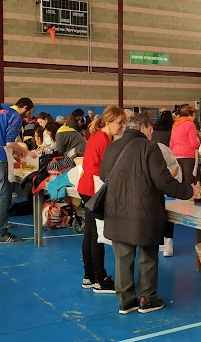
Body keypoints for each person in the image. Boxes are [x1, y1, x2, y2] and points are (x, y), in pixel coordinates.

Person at [100, 114, 197, 314]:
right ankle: (147, 299)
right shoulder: (150, 148)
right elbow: (163, 182)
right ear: (143, 127)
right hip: (144, 210)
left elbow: (103, 175)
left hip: (116, 209)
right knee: (148, 256)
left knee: (122, 258)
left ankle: (125, 301)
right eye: (150, 129)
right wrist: (188, 191)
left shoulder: (112, 147)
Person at [77, 106, 127, 293]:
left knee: (90, 233)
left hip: (86, 187)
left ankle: (89, 276)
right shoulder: (104, 142)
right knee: (97, 235)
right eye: (120, 123)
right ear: (108, 122)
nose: (122, 127)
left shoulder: (97, 137)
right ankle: (100, 279)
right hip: (94, 189)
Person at [0, 98, 36, 242]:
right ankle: (1, 233)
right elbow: (10, 142)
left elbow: (0, 139)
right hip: (0, 159)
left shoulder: (0, 113)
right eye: (29, 112)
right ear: (25, 108)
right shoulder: (16, 116)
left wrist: (15, 151)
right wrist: (27, 152)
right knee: (5, 197)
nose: (29, 116)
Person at [168, 105, 200, 256]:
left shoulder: (176, 124)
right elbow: (194, 143)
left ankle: (178, 205)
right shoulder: (190, 125)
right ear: (191, 114)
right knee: (189, 179)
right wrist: (199, 142)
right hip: (188, 155)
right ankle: (189, 207)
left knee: (179, 179)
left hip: (176, 153)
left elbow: (171, 142)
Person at [151, 110, 175, 256]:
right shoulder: (171, 130)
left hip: (159, 176)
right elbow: (174, 167)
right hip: (169, 169)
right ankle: (168, 242)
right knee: (168, 210)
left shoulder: (155, 130)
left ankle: (162, 242)